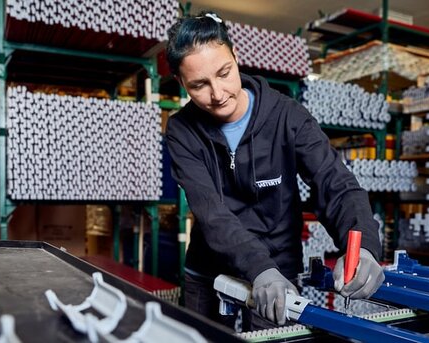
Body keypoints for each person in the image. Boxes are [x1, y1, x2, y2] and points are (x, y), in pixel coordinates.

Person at [165, 11, 385, 331]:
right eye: (199, 84)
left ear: (236, 57)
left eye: (224, 72)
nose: (217, 93)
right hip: (210, 269)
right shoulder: (182, 131)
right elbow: (211, 211)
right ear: (181, 82)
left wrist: (364, 244)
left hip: (278, 273)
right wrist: (258, 267)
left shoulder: (288, 116)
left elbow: (334, 182)